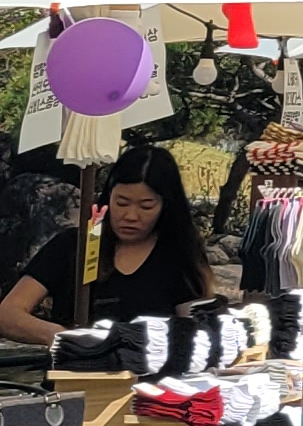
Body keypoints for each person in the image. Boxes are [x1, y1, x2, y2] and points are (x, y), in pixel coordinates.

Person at [0, 143, 215, 343]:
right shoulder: (73, 245)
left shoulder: (178, 254)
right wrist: (59, 336)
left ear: (166, 206)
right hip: (75, 367)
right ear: (108, 197)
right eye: (121, 202)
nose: (131, 216)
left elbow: (198, 331)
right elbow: (7, 314)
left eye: (146, 206)